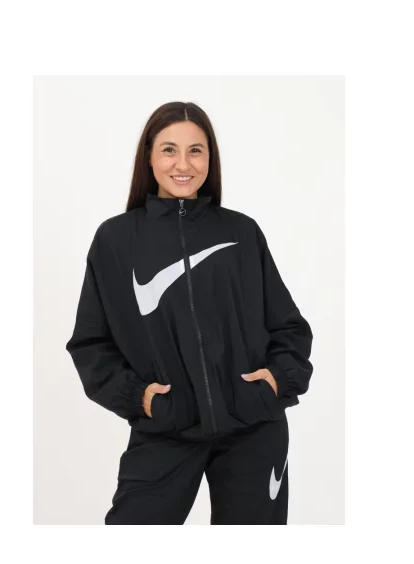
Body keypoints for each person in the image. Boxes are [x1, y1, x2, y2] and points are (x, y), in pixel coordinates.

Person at [65, 101, 314, 525]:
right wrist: (140, 397)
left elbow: (288, 327)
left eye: (195, 150)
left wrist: (275, 380)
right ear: (149, 157)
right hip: (165, 430)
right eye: (169, 150)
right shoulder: (116, 240)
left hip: (254, 431)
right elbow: (91, 343)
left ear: (210, 158)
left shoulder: (241, 232)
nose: (183, 164)